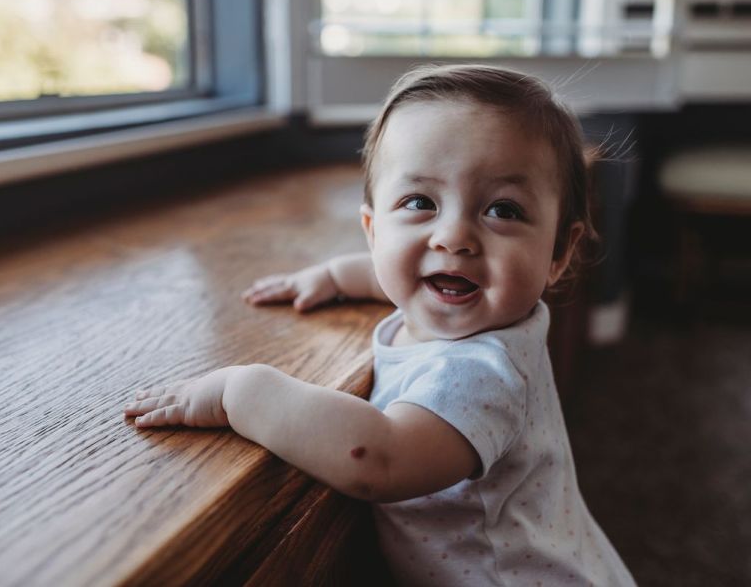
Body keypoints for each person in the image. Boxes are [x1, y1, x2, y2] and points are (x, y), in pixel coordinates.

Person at [124, 64, 635, 586]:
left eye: (502, 210)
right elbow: (411, 272)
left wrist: (241, 390)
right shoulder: (487, 308)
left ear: (558, 251)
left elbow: (375, 458)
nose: (453, 237)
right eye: (420, 203)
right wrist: (333, 275)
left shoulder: (484, 373)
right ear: (372, 229)